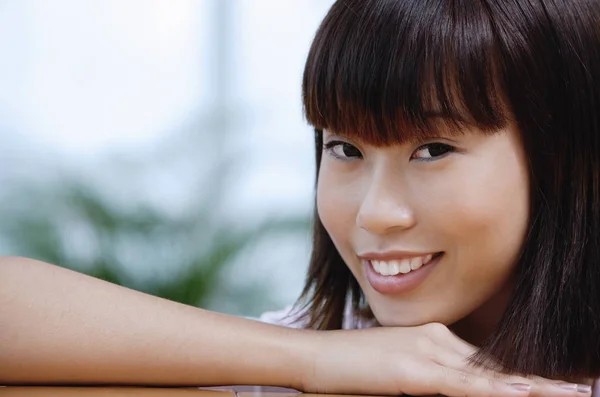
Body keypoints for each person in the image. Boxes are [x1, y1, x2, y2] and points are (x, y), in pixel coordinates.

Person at [1, 0, 599, 396]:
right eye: (344, 148)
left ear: (565, 153)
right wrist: (315, 360)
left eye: (433, 149)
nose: (373, 213)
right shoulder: (339, 350)